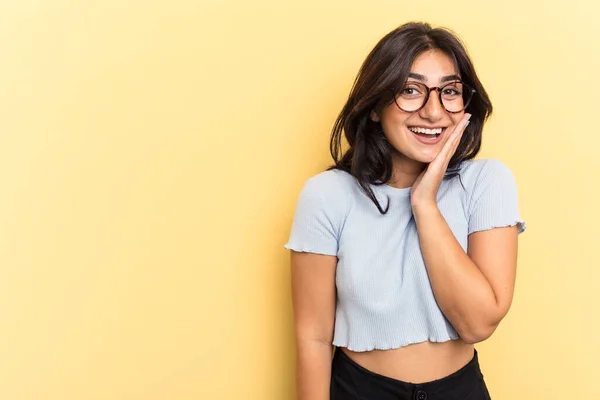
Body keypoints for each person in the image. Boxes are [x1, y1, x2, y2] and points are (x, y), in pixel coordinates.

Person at [284, 21, 525, 400]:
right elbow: (313, 338)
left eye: (449, 91)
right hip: (359, 390)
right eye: (410, 90)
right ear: (376, 106)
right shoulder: (328, 195)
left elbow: (478, 323)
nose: (433, 112)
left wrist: (424, 204)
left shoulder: (486, 182)